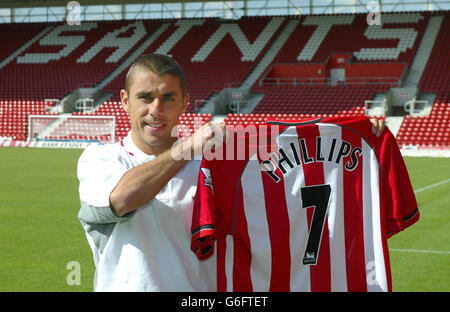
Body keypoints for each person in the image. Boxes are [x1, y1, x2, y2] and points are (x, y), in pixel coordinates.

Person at [77, 53, 385, 292]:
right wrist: (186, 149)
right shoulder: (101, 159)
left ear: (184, 103)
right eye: (145, 97)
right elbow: (122, 198)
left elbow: (291, 170)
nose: (156, 109)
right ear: (124, 101)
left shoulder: (215, 165)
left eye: (168, 98)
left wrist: (355, 135)